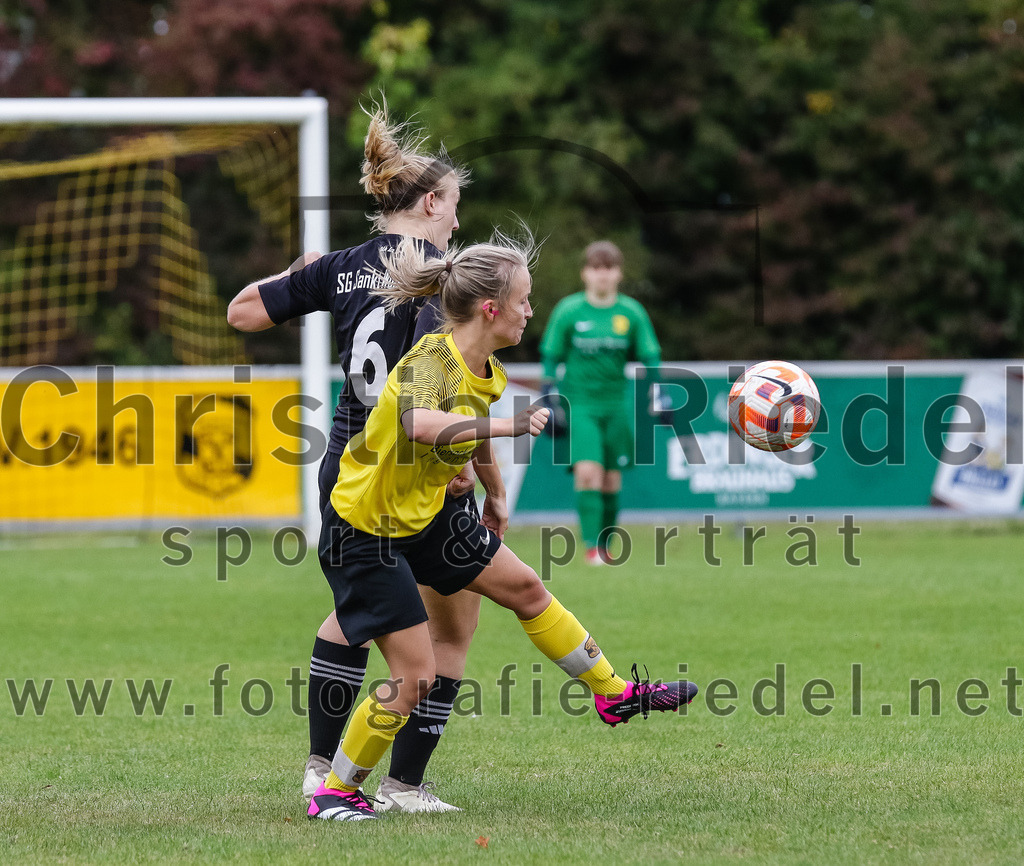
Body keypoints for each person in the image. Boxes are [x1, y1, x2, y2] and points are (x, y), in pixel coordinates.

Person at [306, 234, 698, 822]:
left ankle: (613, 695)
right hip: (366, 529)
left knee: (527, 590)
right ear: (491, 308)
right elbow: (419, 423)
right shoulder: (428, 360)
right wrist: (507, 430)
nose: (531, 310)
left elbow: (474, 418)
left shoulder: (483, 365)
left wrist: (495, 490)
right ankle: (335, 791)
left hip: (425, 516)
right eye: (525, 299)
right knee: (415, 676)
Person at [228, 101, 493, 813]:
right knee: (446, 627)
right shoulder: (450, 278)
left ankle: (325, 768)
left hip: (346, 463)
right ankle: (398, 783)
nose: (458, 224)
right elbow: (446, 377)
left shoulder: (343, 267)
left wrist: (299, 274)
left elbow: (242, 313)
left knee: (357, 613)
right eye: (455, 208)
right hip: (422, 466)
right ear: (432, 202)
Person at [538, 241, 665, 565]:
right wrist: (548, 393)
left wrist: (657, 391)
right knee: (588, 473)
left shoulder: (630, 312)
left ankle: (606, 547)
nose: (602, 275)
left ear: (619, 273)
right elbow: (551, 355)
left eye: (608, 268)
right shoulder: (569, 310)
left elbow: (650, 354)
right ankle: (592, 547)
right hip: (580, 405)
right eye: (596, 268)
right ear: (585, 273)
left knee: (611, 478)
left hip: (617, 406)